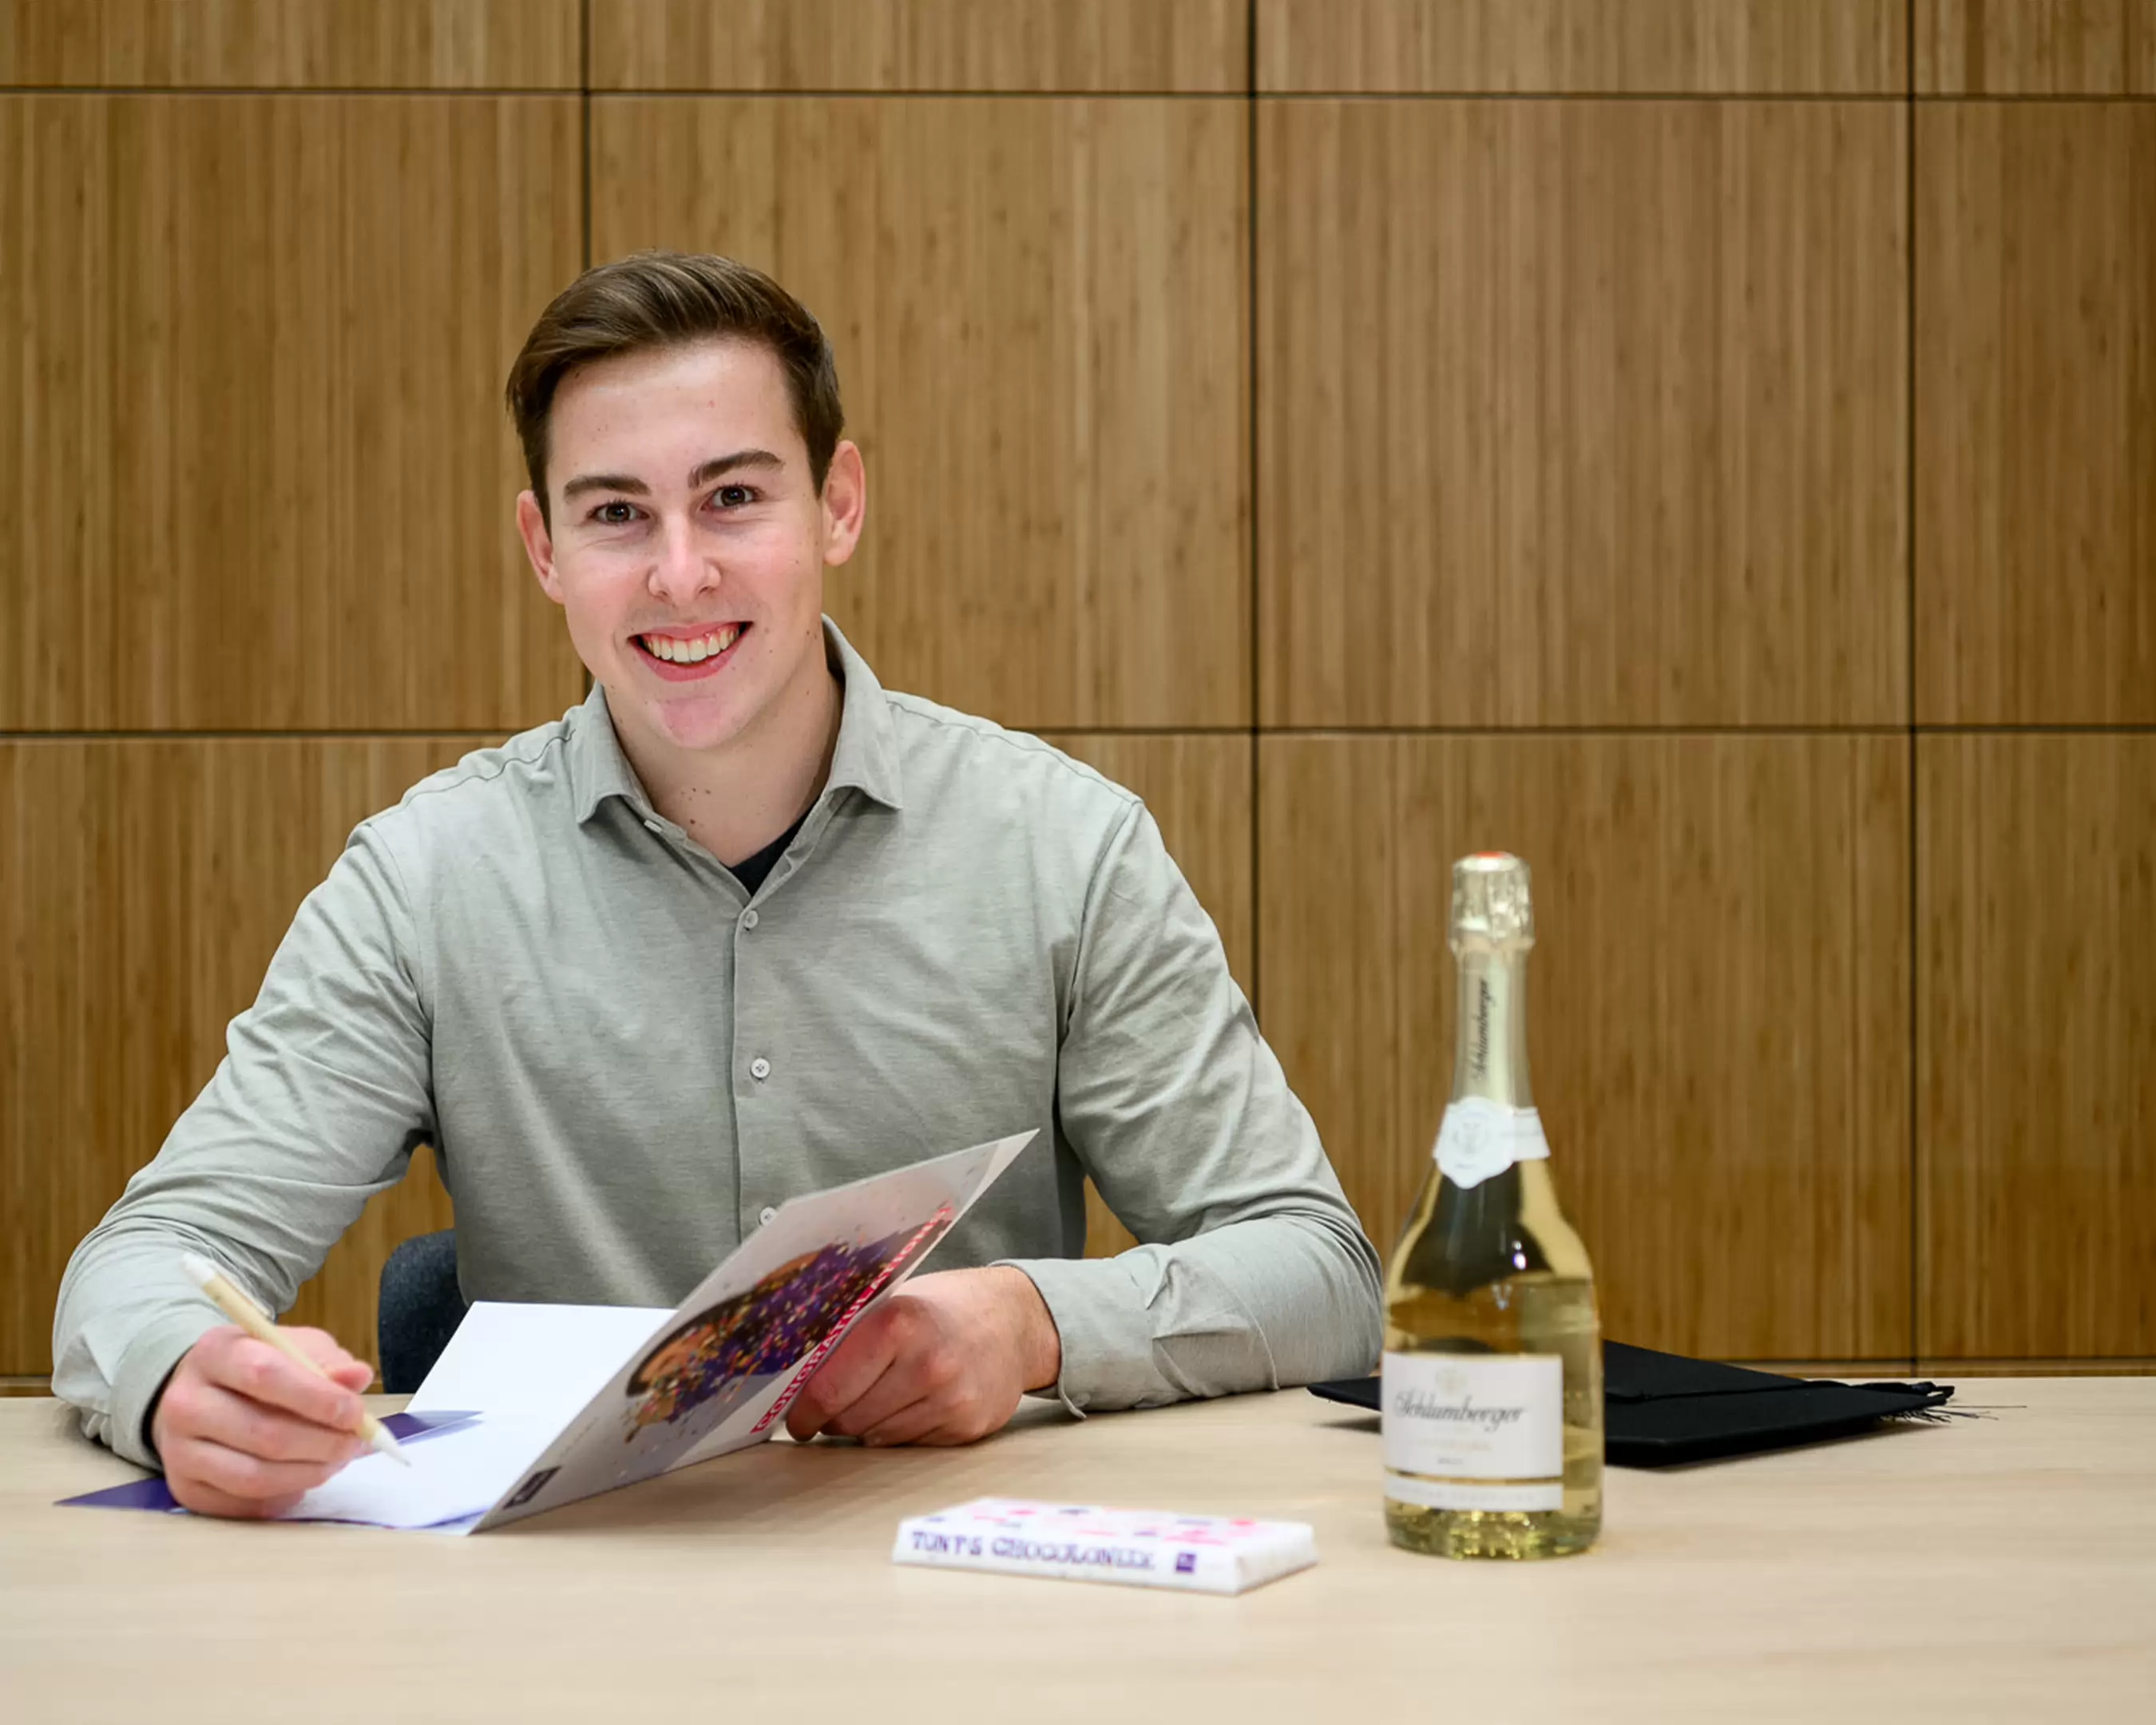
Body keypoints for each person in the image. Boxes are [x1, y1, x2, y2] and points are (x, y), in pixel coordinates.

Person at [52, 251, 1382, 1519]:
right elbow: (148, 1259)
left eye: (734, 498)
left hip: (975, 1598)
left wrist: (1036, 1323)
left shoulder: (1065, 849)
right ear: (543, 548)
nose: (678, 573)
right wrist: (183, 1377)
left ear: (839, 504)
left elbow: (1318, 1269)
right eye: (616, 513)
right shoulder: (424, 880)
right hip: (574, 1611)